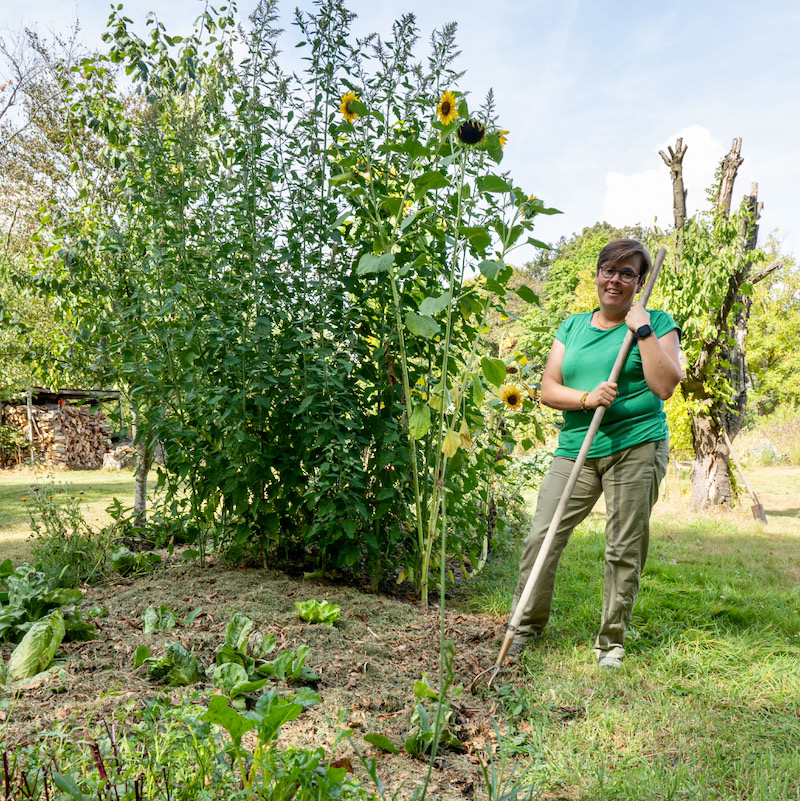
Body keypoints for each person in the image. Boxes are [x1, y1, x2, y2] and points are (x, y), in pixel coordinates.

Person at [510, 239, 682, 668]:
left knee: (623, 546)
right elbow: (549, 389)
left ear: (639, 284)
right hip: (577, 449)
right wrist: (587, 397)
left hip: (636, 445)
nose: (616, 279)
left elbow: (665, 385)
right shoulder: (571, 327)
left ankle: (611, 642)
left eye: (627, 274)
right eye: (609, 269)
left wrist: (641, 329)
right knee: (542, 537)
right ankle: (523, 626)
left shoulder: (658, 322)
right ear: (597, 274)